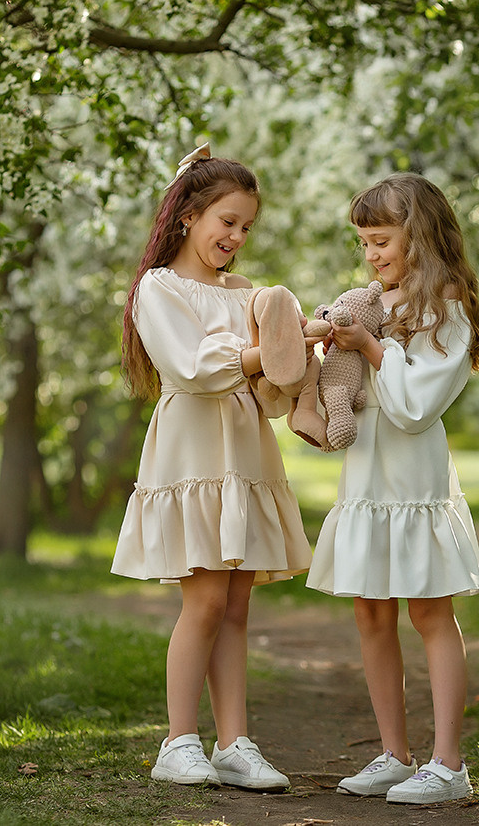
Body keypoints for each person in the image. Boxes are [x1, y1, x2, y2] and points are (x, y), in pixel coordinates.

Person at [112, 144, 316, 791]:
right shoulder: (160, 288)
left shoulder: (247, 293)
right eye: (226, 220)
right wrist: (267, 350)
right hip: (194, 453)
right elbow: (194, 370)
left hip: (245, 453)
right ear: (187, 216)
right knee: (202, 599)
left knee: (235, 604)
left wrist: (301, 347)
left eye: (247, 226)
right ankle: (178, 740)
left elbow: (269, 383)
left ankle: (235, 740)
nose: (236, 236)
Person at [307, 172, 479, 804]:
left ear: (419, 235)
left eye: (381, 240)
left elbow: (418, 405)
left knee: (430, 610)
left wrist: (371, 347)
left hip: (412, 477)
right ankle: (393, 753)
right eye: (363, 243)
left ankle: (448, 763)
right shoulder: (370, 303)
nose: (371, 255)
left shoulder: (446, 306)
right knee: (369, 608)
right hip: (366, 471)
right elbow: (350, 382)